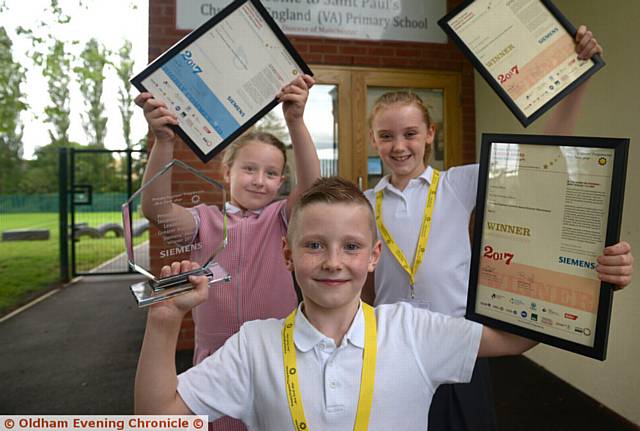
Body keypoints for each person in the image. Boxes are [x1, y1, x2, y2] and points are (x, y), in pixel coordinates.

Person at [362, 26, 634, 431]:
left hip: (460, 346)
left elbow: (540, 158)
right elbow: (365, 284)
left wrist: (576, 83)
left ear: (430, 135)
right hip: (393, 352)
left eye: (410, 134)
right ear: (373, 140)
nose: (399, 145)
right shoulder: (365, 205)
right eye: (386, 136)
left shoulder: (458, 184)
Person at [134, 176, 544, 429]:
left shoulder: (412, 329)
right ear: (287, 254)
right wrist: (165, 321)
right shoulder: (253, 346)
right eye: (314, 245)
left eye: (351, 246)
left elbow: (514, 340)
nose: (333, 262)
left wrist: (587, 283)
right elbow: (157, 419)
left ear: (373, 257)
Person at [135, 74, 320, 431]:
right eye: (249, 169)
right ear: (227, 172)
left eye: (271, 173)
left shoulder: (281, 218)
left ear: (281, 182)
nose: (258, 179)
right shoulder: (205, 221)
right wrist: (163, 142)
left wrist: (295, 121)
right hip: (216, 364)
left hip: (276, 360)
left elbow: (312, 189)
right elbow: (156, 209)